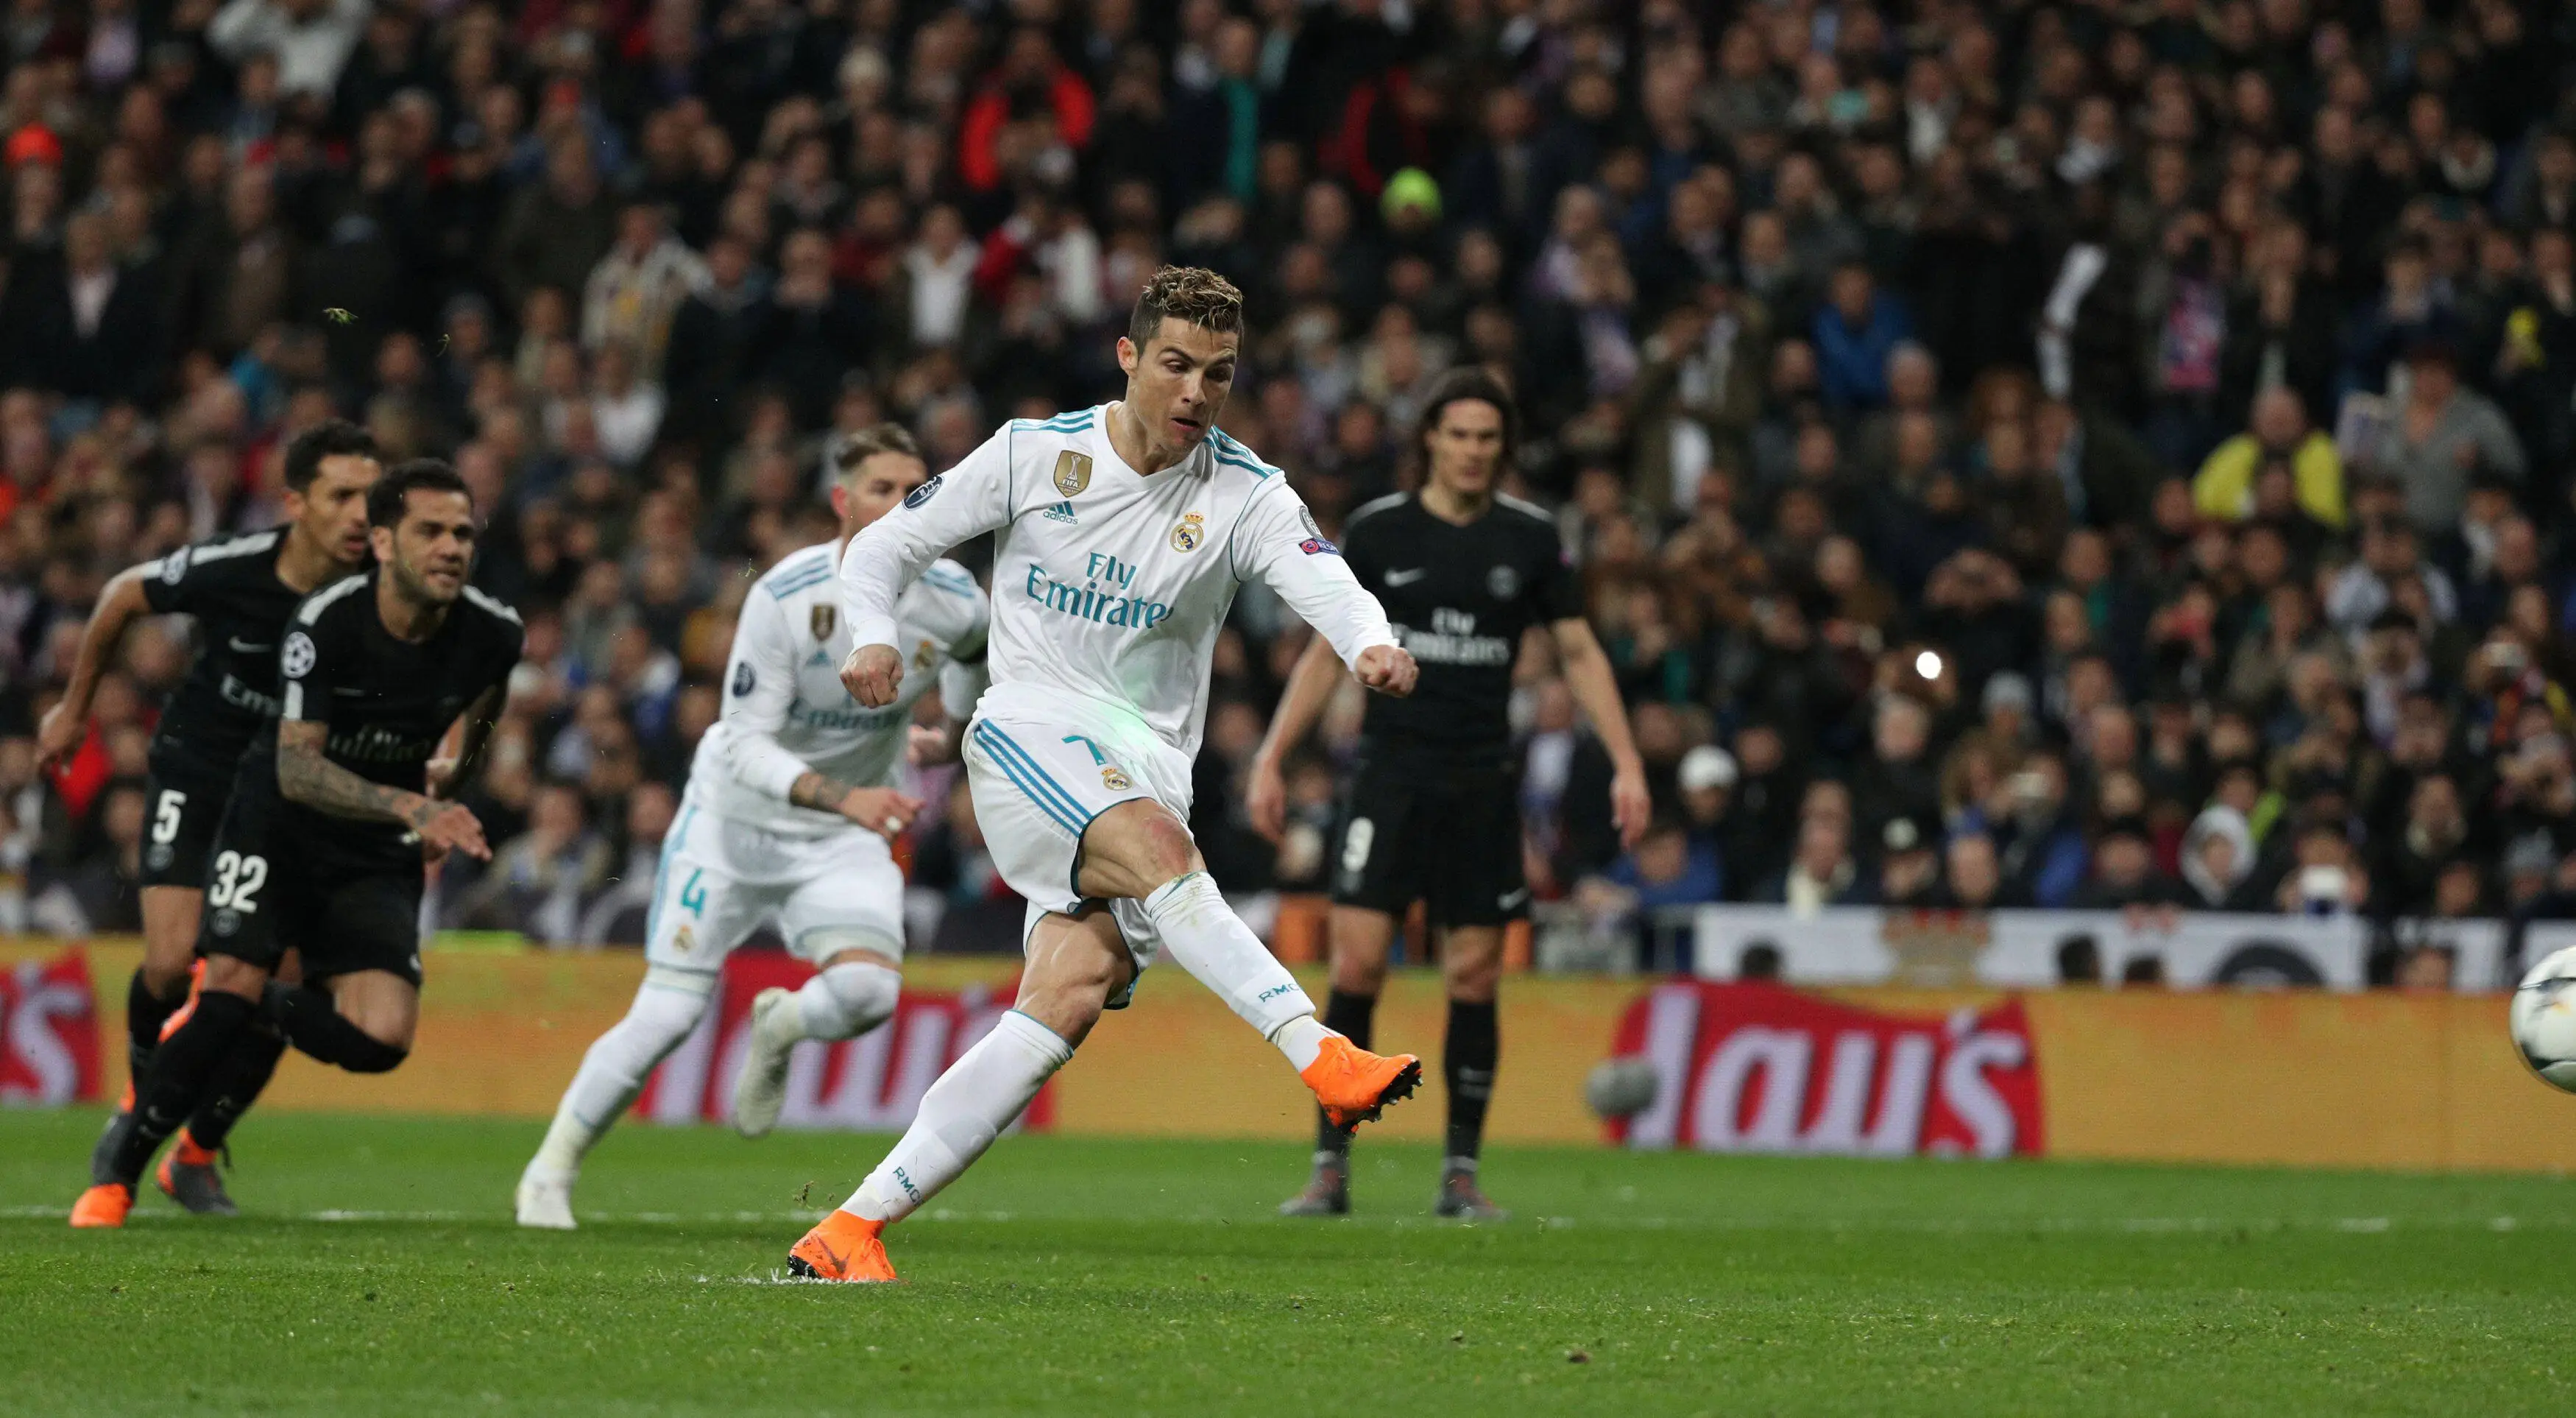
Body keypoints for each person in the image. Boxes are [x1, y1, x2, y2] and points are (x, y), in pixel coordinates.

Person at [783, 267, 1424, 1283]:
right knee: (1166, 855)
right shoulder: (1032, 454)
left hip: (1142, 761)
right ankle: (1320, 1051)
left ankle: (851, 1226)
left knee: (1073, 992)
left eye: (1217, 375)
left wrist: (1371, 643)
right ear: (1127, 357)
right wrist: (872, 636)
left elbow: (1324, 574)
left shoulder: (1245, 491)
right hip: (1027, 729)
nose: (1194, 395)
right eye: (1174, 365)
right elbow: (882, 550)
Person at [514, 423, 989, 1229]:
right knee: (666, 1014)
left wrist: (950, 729)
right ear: (840, 502)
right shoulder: (785, 596)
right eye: (879, 488)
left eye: (915, 491)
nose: (900, 505)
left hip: (842, 833)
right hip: (733, 827)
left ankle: (781, 1022)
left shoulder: (953, 598)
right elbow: (739, 744)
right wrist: (847, 799)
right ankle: (549, 1170)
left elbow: (975, 655)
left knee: (870, 992)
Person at [74, 461, 523, 1228]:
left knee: (382, 1040)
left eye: (462, 533)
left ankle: (261, 1010)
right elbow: (297, 766)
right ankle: (115, 1176)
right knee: (225, 993)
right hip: (278, 823)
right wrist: (414, 804)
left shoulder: (493, 632)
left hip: (374, 845)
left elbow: (480, 718)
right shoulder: (326, 622)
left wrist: (442, 795)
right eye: (430, 531)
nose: (452, 547)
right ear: (382, 542)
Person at [1248, 366, 1649, 1220]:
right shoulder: (1381, 532)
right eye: (1457, 434)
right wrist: (1271, 756)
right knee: (1356, 963)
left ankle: (1460, 1173)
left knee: (1473, 975)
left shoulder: (1531, 540)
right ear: (1429, 438)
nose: (1471, 451)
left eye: (1486, 438)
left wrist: (1625, 759)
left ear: (1500, 450)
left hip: (1481, 782)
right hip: (1389, 779)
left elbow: (1577, 653)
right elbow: (1327, 649)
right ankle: (1330, 1166)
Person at [42, 419, 381, 1216]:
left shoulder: (370, 596)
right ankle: (140, 1098)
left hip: (287, 800)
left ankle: (192, 1154)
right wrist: (72, 709)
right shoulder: (237, 568)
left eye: (374, 496)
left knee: (280, 981)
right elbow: (124, 593)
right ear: (296, 501)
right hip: (198, 775)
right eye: (343, 496)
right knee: (168, 961)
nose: (363, 514)